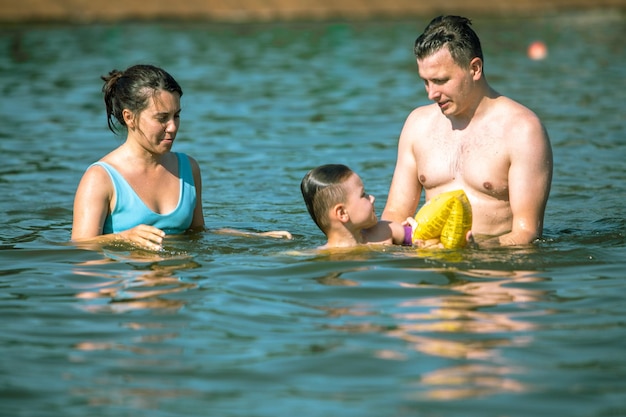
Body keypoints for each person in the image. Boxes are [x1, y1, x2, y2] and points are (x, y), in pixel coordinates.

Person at [71, 64, 290, 251]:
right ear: (129, 117)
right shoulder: (100, 177)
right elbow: (79, 246)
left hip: (180, 291)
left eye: (177, 115)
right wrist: (123, 238)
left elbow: (198, 234)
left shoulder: (188, 168)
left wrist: (259, 238)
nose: (173, 127)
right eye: (162, 118)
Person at [382, 16, 553, 247]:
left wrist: (475, 250)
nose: (431, 93)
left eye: (440, 80)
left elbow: (527, 232)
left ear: (474, 68)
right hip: (430, 269)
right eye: (425, 81)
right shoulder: (417, 124)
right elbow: (395, 213)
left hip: (492, 271)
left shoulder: (522, 130)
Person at [301, 164, 412, 249]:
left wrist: (418, 234)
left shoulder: (385, 231)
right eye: (363, 195)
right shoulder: (323, 254)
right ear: (342, 213)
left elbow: (421, 238)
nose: (372, 198)